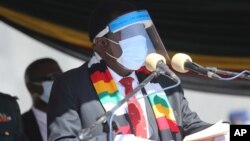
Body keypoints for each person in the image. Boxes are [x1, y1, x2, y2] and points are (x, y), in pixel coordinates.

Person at [47, 0, 228, 141]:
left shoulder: (163, 80)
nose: (139, 39)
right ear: (103, 44)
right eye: (129, 33)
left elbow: (192, 127)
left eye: (141, 31)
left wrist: (233, 133)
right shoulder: (72, 85)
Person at [22, 58, 62, 141]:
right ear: (31, 87)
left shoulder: (81, 117)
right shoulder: (19, 126)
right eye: (52, 77)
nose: (60, 81)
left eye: (62, 76)